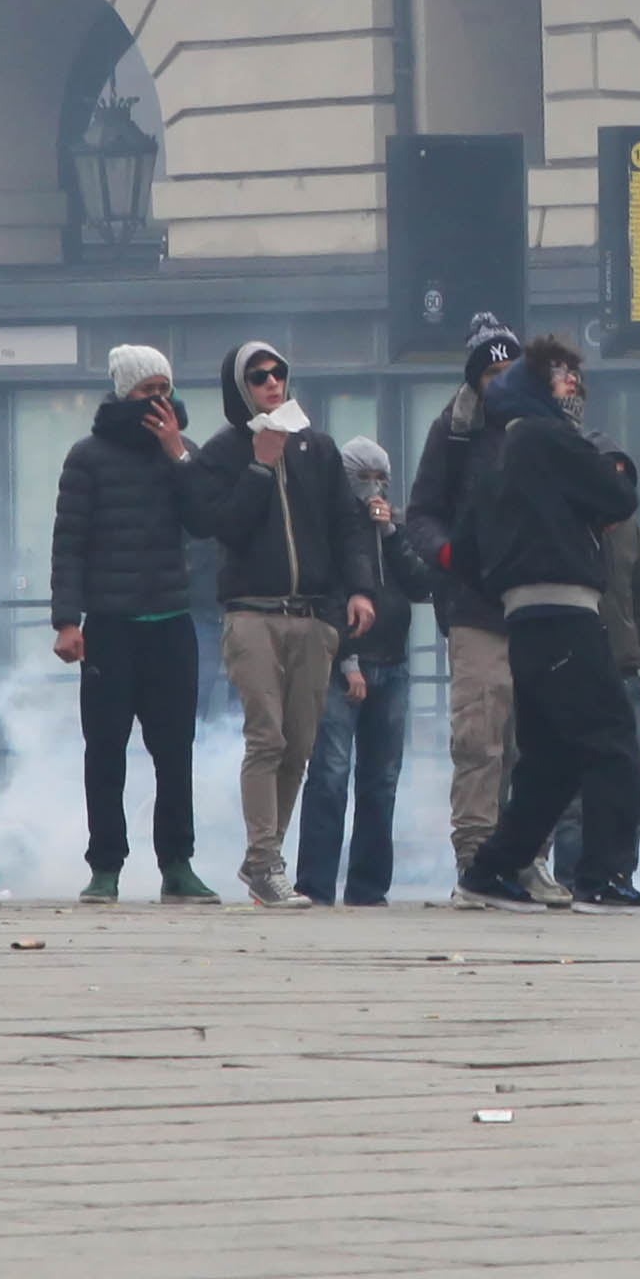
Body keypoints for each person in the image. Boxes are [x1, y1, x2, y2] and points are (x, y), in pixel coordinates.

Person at [447, 338, 640, 911]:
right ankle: (602, 876)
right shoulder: (552, 438)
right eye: (562, 376)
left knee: (550, 762)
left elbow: (464, 552)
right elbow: (618, 496)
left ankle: (489, 871)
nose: (574, 386)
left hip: (522, 620)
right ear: (536, 386)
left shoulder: (494, 457)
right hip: (568, 612)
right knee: (612, 741)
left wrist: (510, 584)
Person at [190, 341, 379, 909]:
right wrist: (259, 466)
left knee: (299, 745)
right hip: (252, 613)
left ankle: (261, 863)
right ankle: (267, 859)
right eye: (259, 376)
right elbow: (217, 523)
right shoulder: (224, 451)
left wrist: (360, 589)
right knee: (266, 736)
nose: (272, 383)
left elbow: (346, 525)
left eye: (278, 373)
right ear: (240, 387)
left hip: (312, 615)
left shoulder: (316, 447)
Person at [52, 346, 215, 904]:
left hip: (171, 620)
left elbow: (206, 520)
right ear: (125, 394)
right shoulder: (87, 458)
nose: (159, 400)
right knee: (105, 750)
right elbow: (68, 544)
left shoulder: (183, 452)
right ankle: (105, 866)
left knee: (175, 751)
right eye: (148, 391)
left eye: (165, 389)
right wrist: (66, 620)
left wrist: (177, 454)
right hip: (110, 624)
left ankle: (177, 862)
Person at [406, 313, 527, 890]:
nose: (501, 383)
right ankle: (476, 858)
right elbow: (421, 514)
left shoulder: (542, 425)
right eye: (491, 373)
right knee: (479, 737)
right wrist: (449, 555)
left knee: (532, 743)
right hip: (476, 607)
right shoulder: (451, 432)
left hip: (535, 606)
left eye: (510, 372)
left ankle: (527, 857)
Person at [299, 436, 435, 907]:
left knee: (381, 781)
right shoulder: (329, 527)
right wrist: (348, 658)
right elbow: (329, 596)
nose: (373, 488)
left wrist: (391, 534)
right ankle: (315, 885)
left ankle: (369, 887)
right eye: (363, 478)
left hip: (393, 665)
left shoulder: (394, 527)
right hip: (345, 667)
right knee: (330, 775)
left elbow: (420, 584)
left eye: (381, 478)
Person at [551, 434, 640, 897]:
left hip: (625, 672)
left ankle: (620, 875)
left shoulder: (631, 531)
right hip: (577, 670)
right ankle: (572, 879)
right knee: (576, 790)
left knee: (635, 784)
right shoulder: (564, 523)